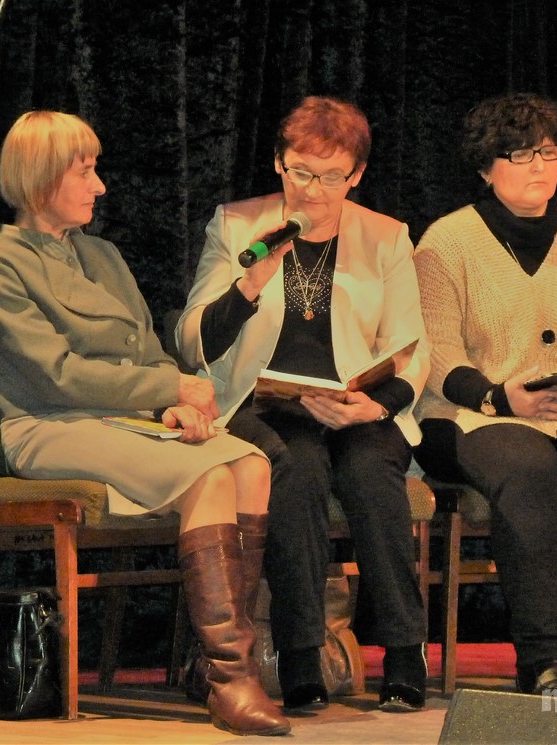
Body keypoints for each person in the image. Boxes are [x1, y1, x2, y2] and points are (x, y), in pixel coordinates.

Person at [0, 111, 290, 736]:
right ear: (40, 177)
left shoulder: (103, 255)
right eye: (84, 171)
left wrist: (173, 405)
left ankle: (214, 665)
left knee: (251, 463)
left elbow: (148, 351)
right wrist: (168, 388)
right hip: (47, 426)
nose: (100, 185)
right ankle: (232, 680)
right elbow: (53, 375)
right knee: (213, 474)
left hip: (122, 421)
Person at [175, 96, 430, 712]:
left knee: (371, 472)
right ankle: (300, 655)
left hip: (355, 405)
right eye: (300, 172)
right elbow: (192, 340)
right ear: (278, 163)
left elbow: (412, 348)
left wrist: (375, 407)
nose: (313, 191)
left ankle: (403, 652)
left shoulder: (386, 236)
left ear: (357, 175)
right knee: (297, 467)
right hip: (266, 403)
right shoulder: (237, 226)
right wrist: (249, 284)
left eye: (331, 177)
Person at [413, 93, 557, 698]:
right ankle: (543, 660)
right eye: (519, 155)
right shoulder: (446, 244)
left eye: (547, 153)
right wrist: (499, 399)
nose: (538, 166)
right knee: (529, 471)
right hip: (471, 411)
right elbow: (437, 354)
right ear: (485, 168)